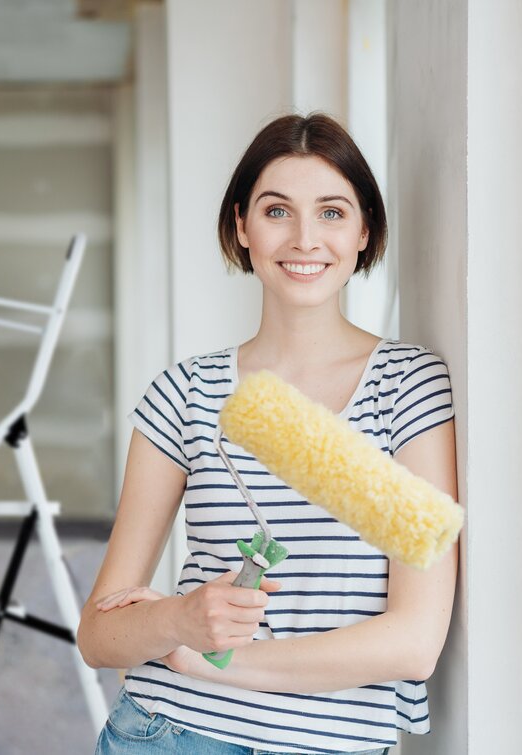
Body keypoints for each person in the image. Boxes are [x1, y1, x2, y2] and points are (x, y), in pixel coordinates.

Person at [77, 112, 459, 755]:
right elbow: (98, 634)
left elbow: (413, 644)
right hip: (172, 733)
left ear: (364, 229)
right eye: (277, 211)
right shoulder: (187, 393)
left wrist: (214, 659)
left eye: (332, 212)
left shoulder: (406, 386)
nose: (306, 238)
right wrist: (179, 618)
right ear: (242, 227)